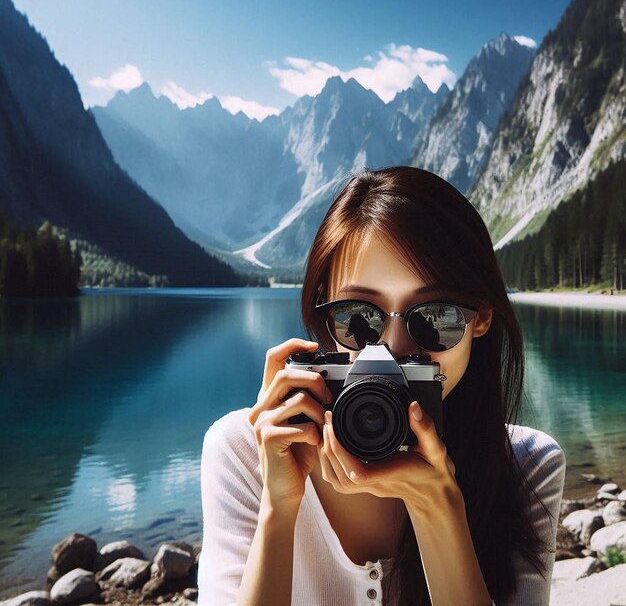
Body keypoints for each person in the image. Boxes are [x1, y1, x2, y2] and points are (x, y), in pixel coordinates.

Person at [197, 166, 566, 605]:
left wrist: (438, 510)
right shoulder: (246, 451)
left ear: (481, 317)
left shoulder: (526, 467)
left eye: (434, 317)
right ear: (324, 316)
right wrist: (278, 508)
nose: (391, 350)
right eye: (358, 318)